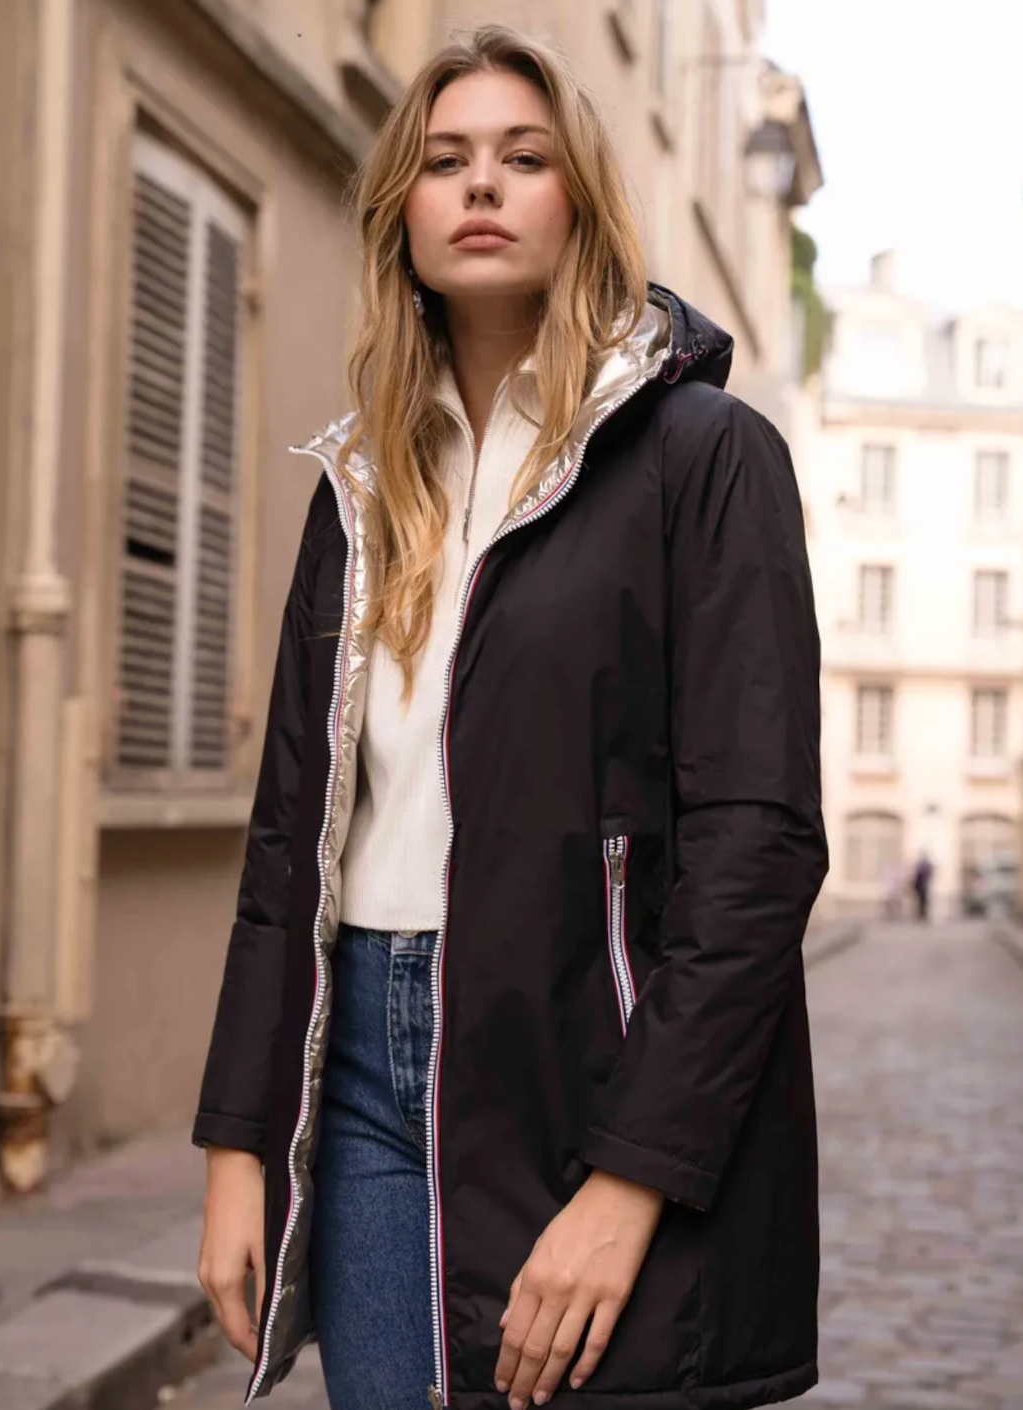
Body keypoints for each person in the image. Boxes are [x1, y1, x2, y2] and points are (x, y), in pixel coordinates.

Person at [191, 24, 828, 1410]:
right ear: (402, 213)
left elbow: (759, 841)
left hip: (592, 1062)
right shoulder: (359, 487)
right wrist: (240, 1136)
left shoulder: (703, 458)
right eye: (444, 161)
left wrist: (635, 1174)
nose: (480, 184)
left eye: (523, 158)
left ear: (579, 200)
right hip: (360, 1073)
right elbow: (288, 837)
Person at [912, 850, 934, 921]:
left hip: (922, 886)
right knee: (922, 901)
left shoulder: (921, 865)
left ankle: (922, 914)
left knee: (922, 901)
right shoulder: (925, 865)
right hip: (922, 886)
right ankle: (922, 914)